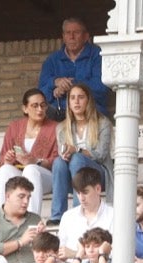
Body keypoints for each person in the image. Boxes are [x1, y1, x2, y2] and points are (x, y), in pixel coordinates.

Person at [51, 83, 112, 222]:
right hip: (72, 176)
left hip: (98, 174)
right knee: (59, 162)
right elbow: (63, 153)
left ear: (88, 100)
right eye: (72, 98)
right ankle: (57, 215)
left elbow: (101, 155)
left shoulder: (103, 123)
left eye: (81, 97)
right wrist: (65, 155)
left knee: (77, 158)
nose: (76, 101)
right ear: (69, 103)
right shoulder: (61, 127)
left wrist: (77, 151)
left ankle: (79, 211)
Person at [0, 88, 59, 213]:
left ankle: (32, 221)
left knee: (31, 169)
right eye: (34, 106)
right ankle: (1, 218)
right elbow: (3, 155)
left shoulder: (55, 128)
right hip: (20, 174)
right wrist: (8, 159)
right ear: (25, 108)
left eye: (43, 105)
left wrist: (37, 161)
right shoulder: (15, 126)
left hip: (46, 177)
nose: (40, 109)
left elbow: (59, 159)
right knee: (4, 170)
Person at [41, 17, 110, 119]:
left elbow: (102, 88)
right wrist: (54, 85)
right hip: (59, 113)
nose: (71, 37)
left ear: (86, 36)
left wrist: (71, 85)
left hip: (90, 112)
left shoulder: (97, 55)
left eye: (76, 32)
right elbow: (40, 95)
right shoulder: (52, 59)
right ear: (63, 37)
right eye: (68, 33)